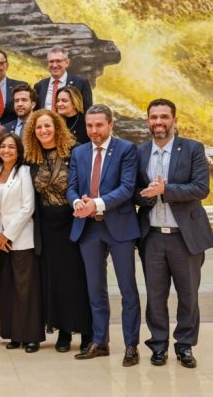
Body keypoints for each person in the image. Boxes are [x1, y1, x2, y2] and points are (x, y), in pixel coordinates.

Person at [135, 98, 213, 368]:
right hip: (152, 236)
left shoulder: (192, 148)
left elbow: (201, 188)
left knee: (188, 295)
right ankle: (158, 345)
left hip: (185, 237)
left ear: (174, 120)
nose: (159, 122)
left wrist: (165, 190)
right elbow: (134, 191)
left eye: (164, 117)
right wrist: (146, 195)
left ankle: (184, 345)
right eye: (154, 117)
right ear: (148, 121)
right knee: (155, 296)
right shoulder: (140, 152)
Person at [68, 104, 141, 366]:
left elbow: (127, 188)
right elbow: (71, 187)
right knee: (95, 289)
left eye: (99, 125)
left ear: (110, 124)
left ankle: (131, 346)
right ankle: (100, 342)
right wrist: (77, 202)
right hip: (89, 229)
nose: (94, 130)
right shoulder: (78, 152)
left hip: (119, 228)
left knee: (127, 289)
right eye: (89, 125)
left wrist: (96, 204)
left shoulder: (126, 149)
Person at [23, 109, 92, 353]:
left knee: (77, 279)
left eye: (47, 126)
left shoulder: (76, 151)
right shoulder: (31, 157)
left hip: (74, 223)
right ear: (33, 132)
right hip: (47, 226)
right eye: (39, 127)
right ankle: (63, 331)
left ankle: (86, 331)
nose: (43, 130)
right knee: (55, 280)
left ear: (57, 127)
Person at [0, 133, 44, 353]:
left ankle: (31, 336)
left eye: (11, 147)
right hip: (1, 242)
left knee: (26, 290)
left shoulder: (24, 172)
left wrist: (8, 234)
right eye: (3, 146)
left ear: (19, 150)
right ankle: (13, 334)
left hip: (21, 239)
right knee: (8, 288)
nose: (6, 150)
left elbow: (27, 207)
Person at [34, 46, 93, 112]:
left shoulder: (81, 84)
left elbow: (88, 111)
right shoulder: (39, 86)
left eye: (58, 61)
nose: (54, 65)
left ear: (67, 63)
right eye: (51, 61)